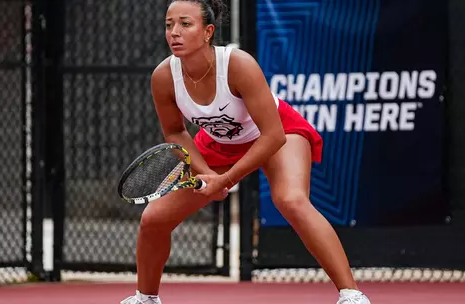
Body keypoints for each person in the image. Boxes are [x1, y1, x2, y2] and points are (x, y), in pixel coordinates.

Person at [121, 0, 371, 303]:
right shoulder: (163, 77)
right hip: (216, 143)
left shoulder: (238, 65)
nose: (174, 32)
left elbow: (273, 135)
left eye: (185, 24)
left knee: (291, 200)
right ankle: (145, 298)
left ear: (207, 31)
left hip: (278, 133)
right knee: (153, 219)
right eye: (169, 24)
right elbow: (175, 132)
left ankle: (351, 294)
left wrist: (224, 180)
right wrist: (207, 174)